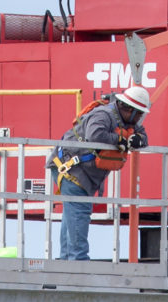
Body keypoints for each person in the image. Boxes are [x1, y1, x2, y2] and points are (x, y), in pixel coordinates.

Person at [50, 84, 151, 261]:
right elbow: (94, 136)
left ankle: (67, 260)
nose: (140, 118)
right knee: (78, 213)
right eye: (139, 113)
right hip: (72, 169)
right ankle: (78, 262)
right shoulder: (103, 115)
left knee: (72, 215)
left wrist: (137, 140)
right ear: (129, 109)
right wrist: (121, 140)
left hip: (82, 173)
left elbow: (143, 137)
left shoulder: (128, 122)